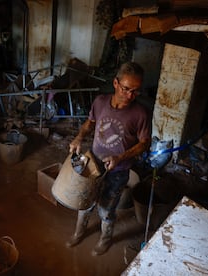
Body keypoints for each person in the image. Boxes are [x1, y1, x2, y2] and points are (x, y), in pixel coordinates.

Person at [66, 61, 151, 256]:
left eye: (135, 91)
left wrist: (120, 157)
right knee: (85, 201)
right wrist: (79, 137)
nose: (130, 95)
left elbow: (144, 143)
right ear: (115, 83)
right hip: (93, 163)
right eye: (126, 89)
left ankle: (105, 239)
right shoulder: (100, 102)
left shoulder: (140, 113)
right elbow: (90, 123)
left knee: (106, 209)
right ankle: (79, 233)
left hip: (118, 171)